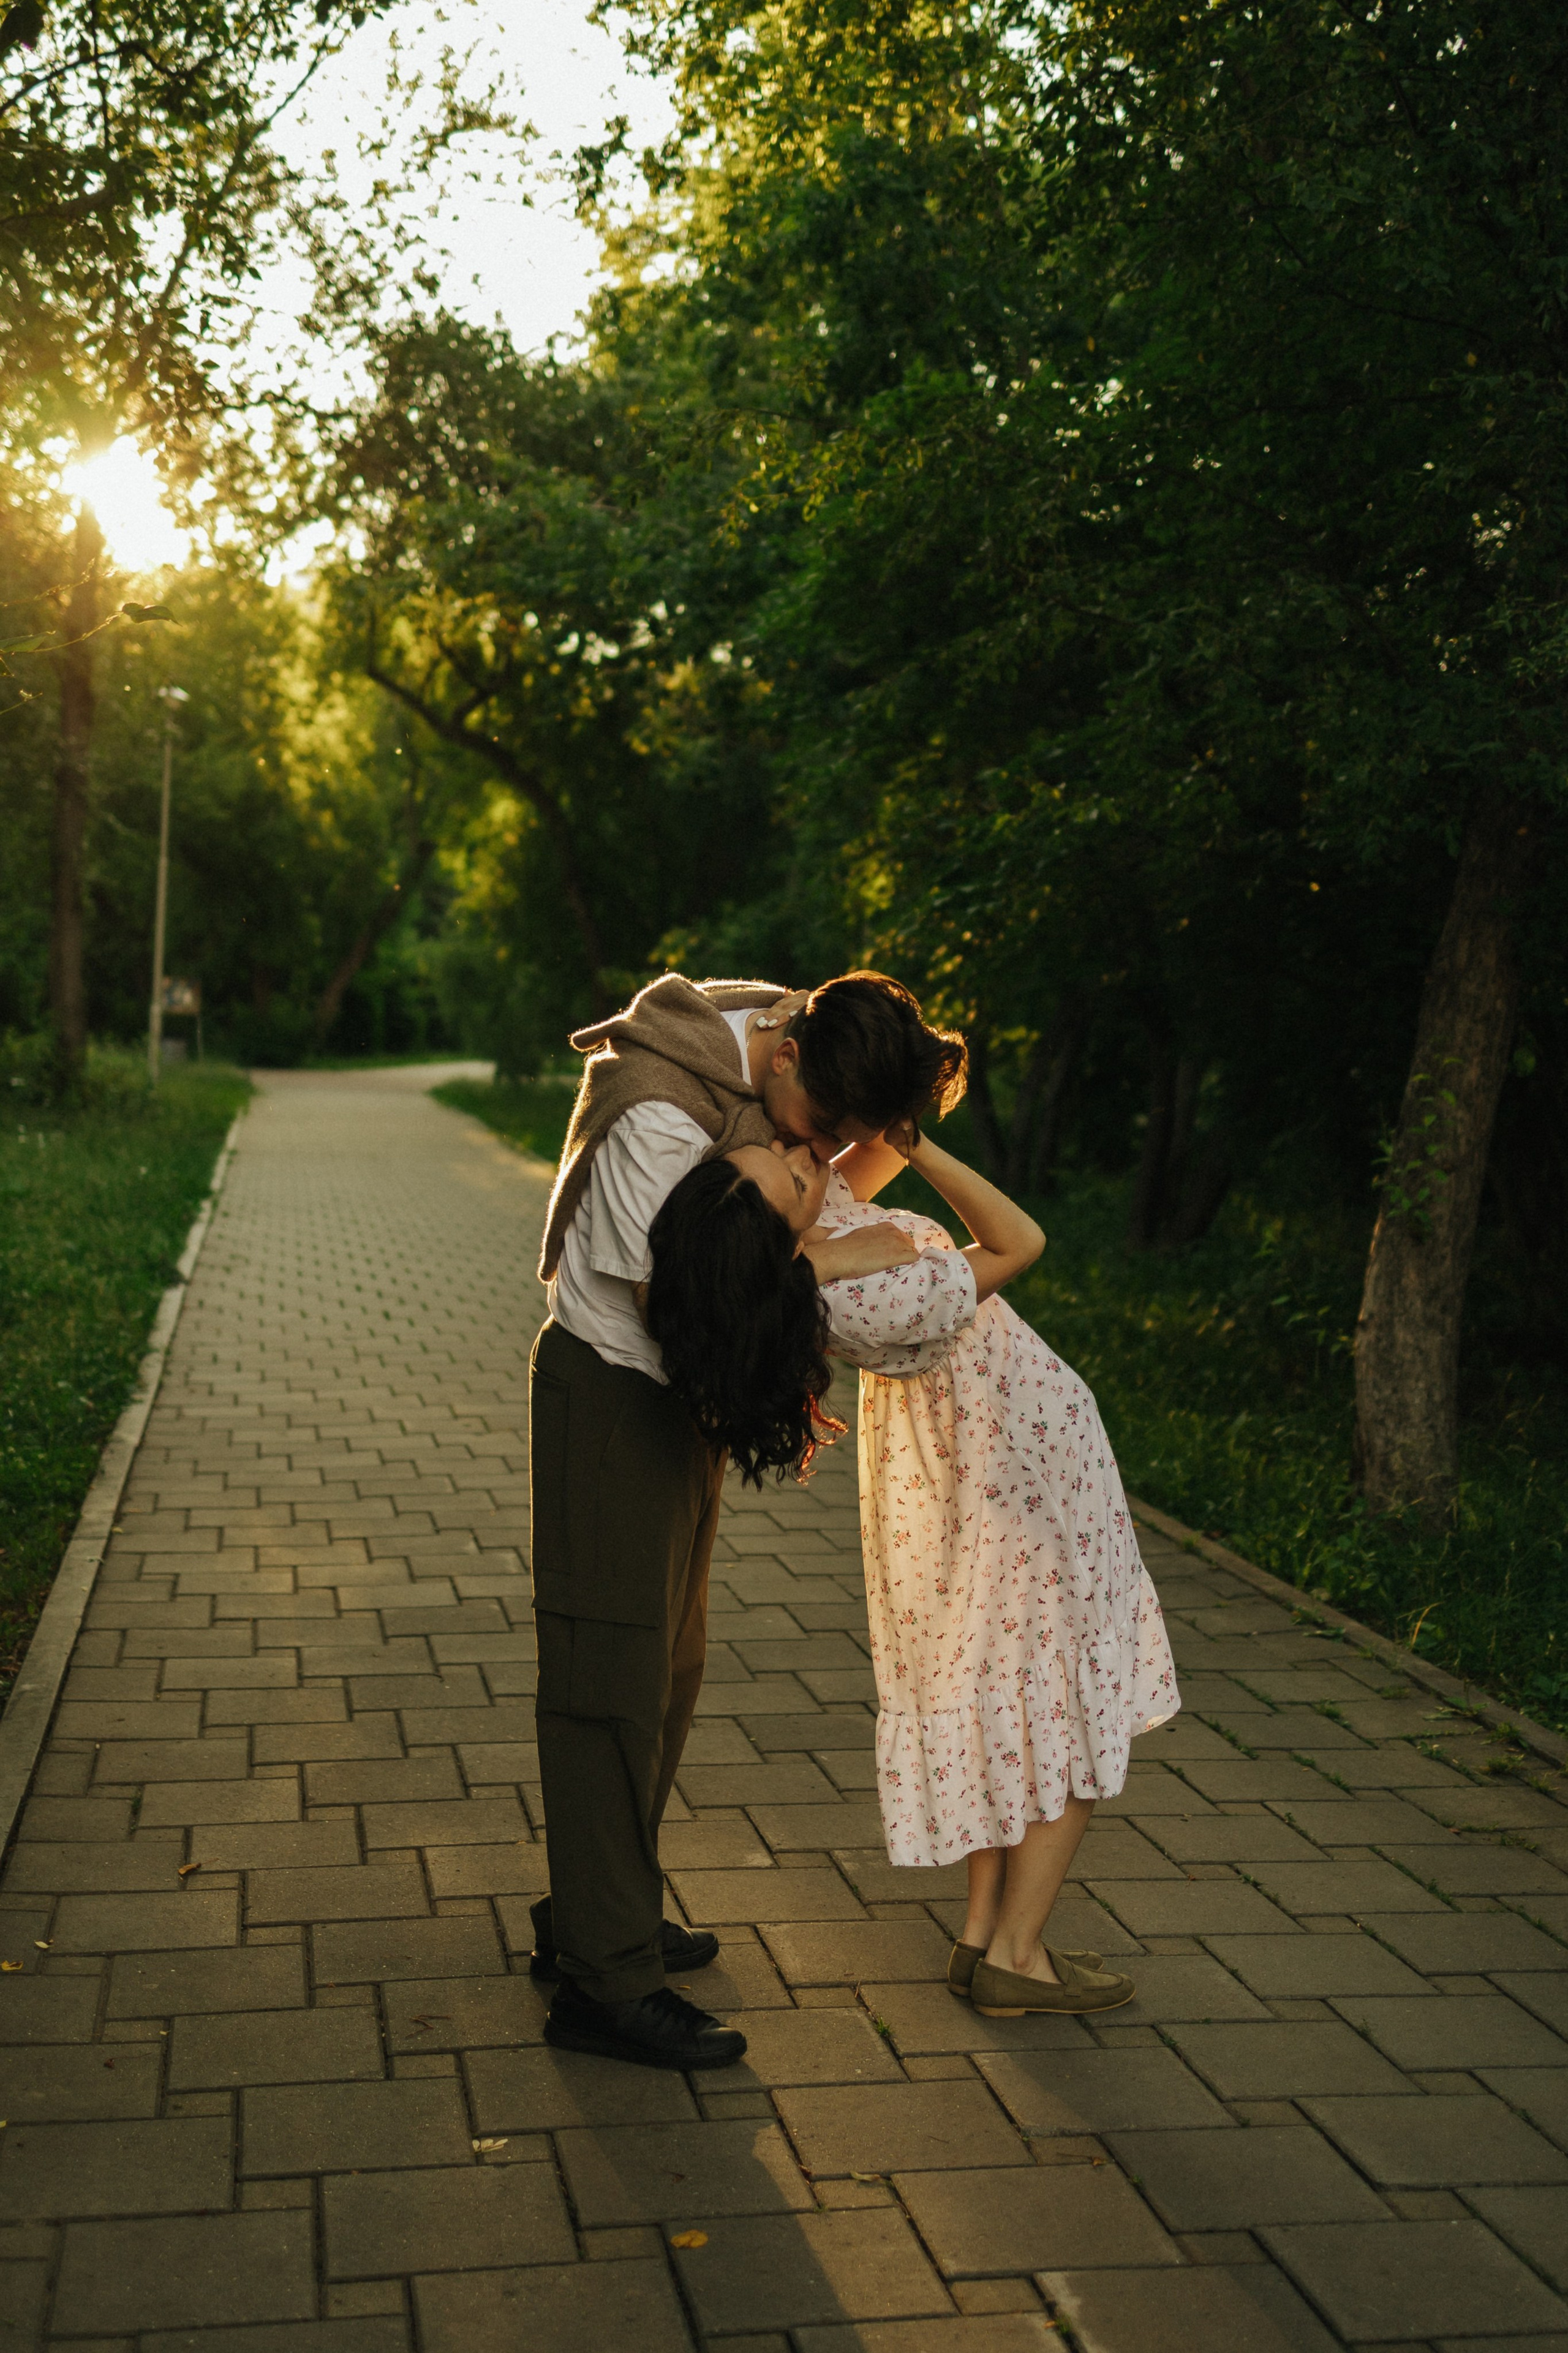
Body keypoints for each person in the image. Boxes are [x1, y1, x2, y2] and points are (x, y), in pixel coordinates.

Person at [530, 968, 965, 2070]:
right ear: (781, 1063)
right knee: (606, 1682)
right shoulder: (664, 1108)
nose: (823, 1156)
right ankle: (604, 1981)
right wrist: (827, 1254)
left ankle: (598, 1908)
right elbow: (674, 1293)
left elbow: (791, 1210)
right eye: (820, 1132)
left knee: (669, 1668)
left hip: (683, 1400)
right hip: (616, 1389)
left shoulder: (786, 1034)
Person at [647, 1124, 1180, 2019]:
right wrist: (922, 1147)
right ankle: (1020, 1953)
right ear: (774, 1237)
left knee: (1004, 1699)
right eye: (786, 1172)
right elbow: (1020, 1241)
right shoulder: (870, 1291)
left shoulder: (814, 1244)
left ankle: (982, 1936)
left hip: (1001, 1485)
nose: (800, 1158)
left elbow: (843, 1175)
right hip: (1034, 1490)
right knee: (1069, 1704)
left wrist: (838, 1204)